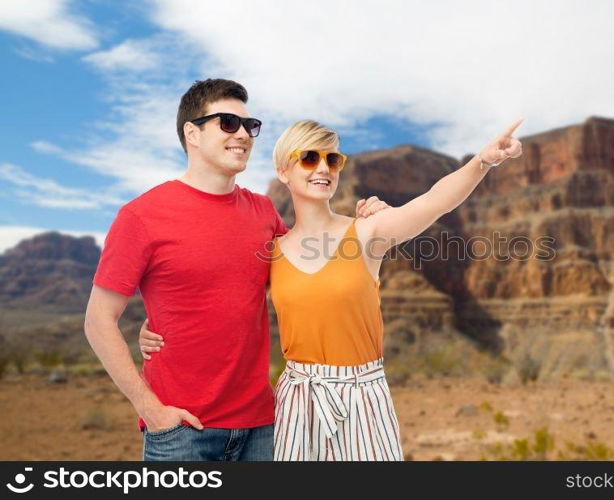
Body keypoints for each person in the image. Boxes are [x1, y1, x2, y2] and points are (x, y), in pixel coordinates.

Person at [143, 117, 523, 460]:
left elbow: (434, 201)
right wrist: (156, 327)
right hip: (297, 400)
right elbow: (218, 301)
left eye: (333, 160)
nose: (323, 168)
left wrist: (483, 161)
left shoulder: (368, 232)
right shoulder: (272, 251)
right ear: (283, 171)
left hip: (364, 398)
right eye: (309, 158)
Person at [84, 79, 389, 462]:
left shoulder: (263, 212)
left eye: (250, 125)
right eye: (228, 123)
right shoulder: (141, 216)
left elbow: (313, 268)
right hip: (182, 433)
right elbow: (98, 321)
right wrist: (152, 410)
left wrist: (361, 223)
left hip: (263, 428)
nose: (243, 134)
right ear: (191, 133)